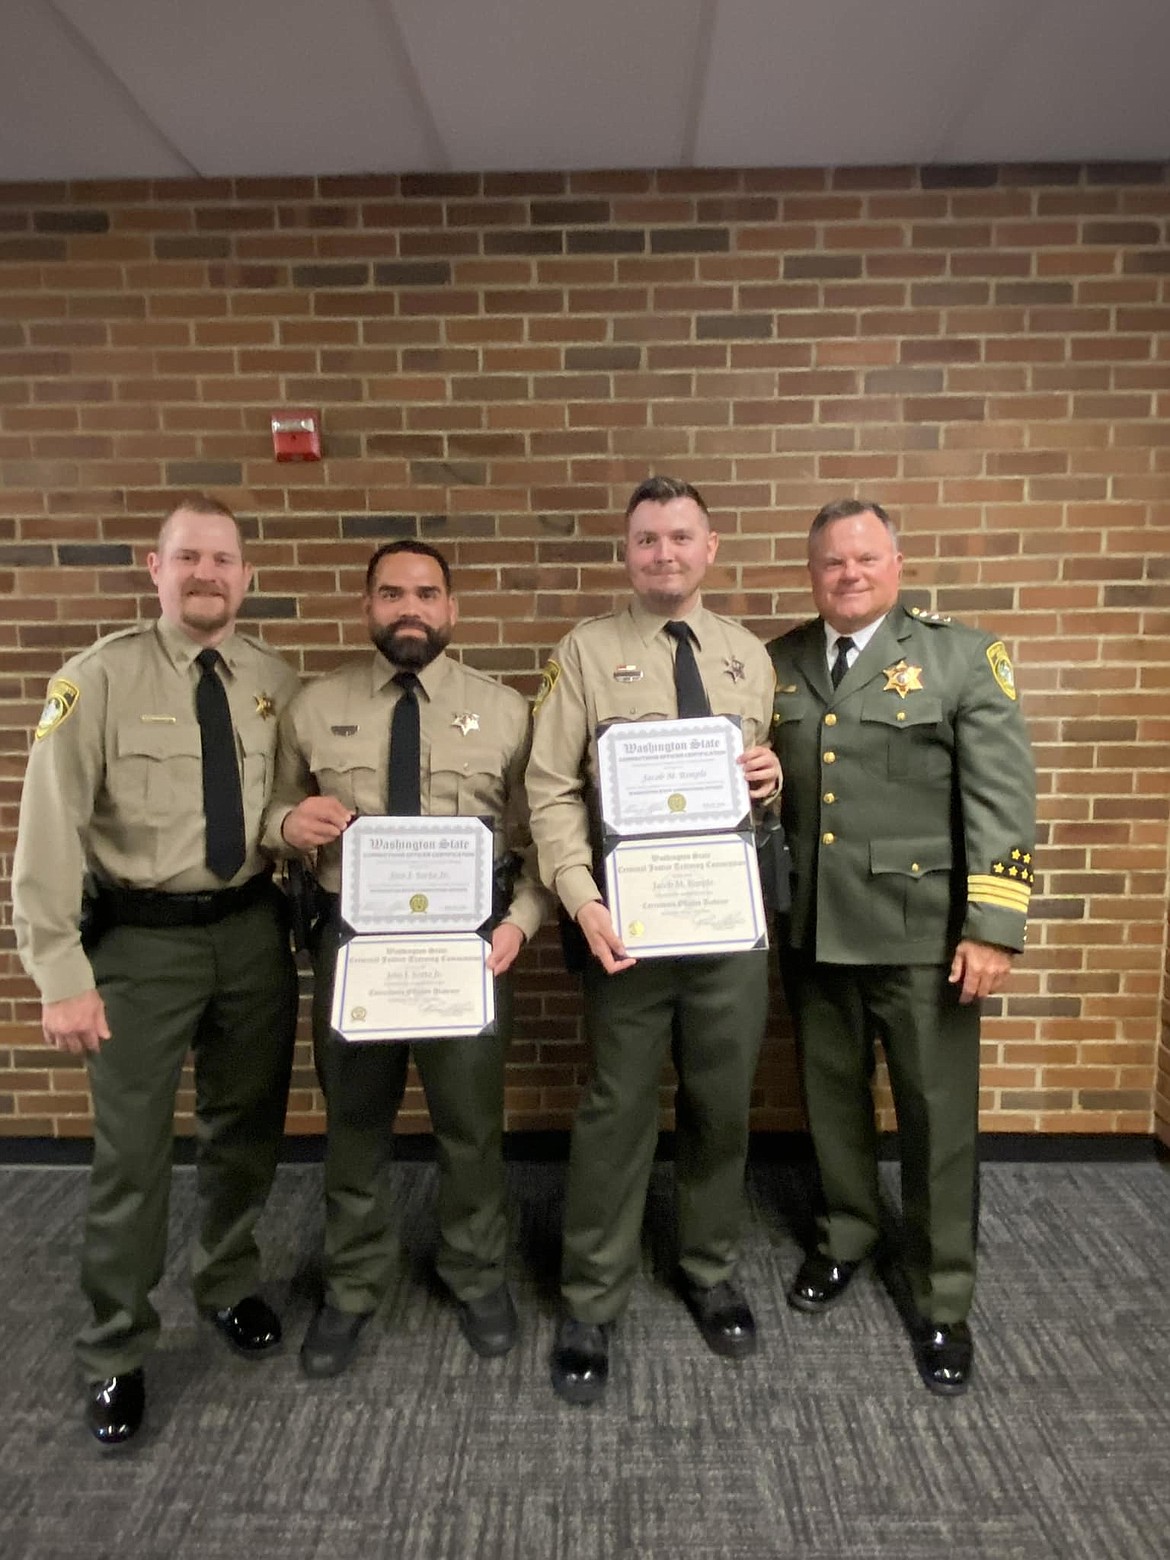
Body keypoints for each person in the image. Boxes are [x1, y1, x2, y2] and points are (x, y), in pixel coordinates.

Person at [11, 495, 301, 1447]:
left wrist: (287, 831)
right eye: (189, 558)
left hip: (253, 932)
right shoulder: (94, 681)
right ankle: (116, 1348)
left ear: (246, 575)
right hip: (139, 946)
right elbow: (48, 833)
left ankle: (224, 1280)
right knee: (131, 1158)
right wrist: (58, 970)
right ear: (155, 567)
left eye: (224, 559)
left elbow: (269, 809)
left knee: (245, 1127)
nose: (208, 574)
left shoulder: (273, 678)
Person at [767, 498, 1036, 1395]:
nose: (849, 574)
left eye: (865, 558)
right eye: (831, 563)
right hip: (815, 932)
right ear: (812, 574)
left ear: (897, 560)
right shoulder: (776, 663)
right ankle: (848, 1234)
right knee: (831, 1103)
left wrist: (993, 927)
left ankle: (942, 1294)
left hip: (925, 939)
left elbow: (1002, 802)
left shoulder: (962, 657)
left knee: (936, 1122)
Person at [525, 475, 782, 1406]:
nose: (664, 553)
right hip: (623, 930)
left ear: (710, 548)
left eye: (680, 537)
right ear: (626, 554)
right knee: (616, 1107)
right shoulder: (584, 654)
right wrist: (581, 899)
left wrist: (770, 776)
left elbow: (756, 792)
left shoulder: (749, 657)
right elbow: (550, 790)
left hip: (725, 930)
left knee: (721, 1102)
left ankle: (708, 1267)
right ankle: (592, 1296)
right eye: (646, 540)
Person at [264, 540, 550, 1378]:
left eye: (427, 593)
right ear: (368, 608)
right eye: (391, 594)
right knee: (355, 1127)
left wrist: (523, 925)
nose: (410, 608)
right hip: (356, 949)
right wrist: (288, 826)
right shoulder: (315, 707)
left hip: (469, 951)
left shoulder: (504, 712)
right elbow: (274, 809)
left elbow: (542, 838)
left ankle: (475, 1272)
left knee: (470, 1127)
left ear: (452, 610)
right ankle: (353, 1284)